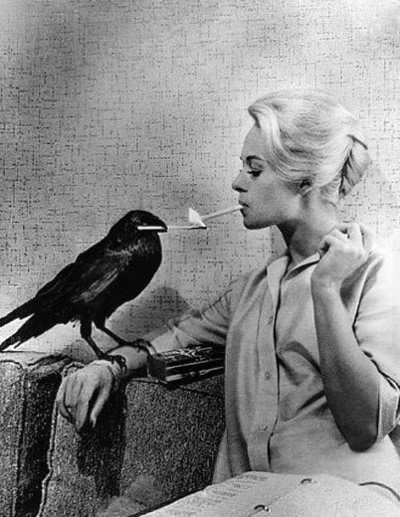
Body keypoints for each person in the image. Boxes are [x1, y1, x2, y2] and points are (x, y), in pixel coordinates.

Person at [56, 89, 400, 495]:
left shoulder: (377, 273)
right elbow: (176, 336)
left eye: (254, 171)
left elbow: (366, 426)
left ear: (305, 180)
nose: (237, 183)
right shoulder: (252, 291)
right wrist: (107, 368)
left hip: (348, 498)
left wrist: (325, 289)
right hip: (248, 499)